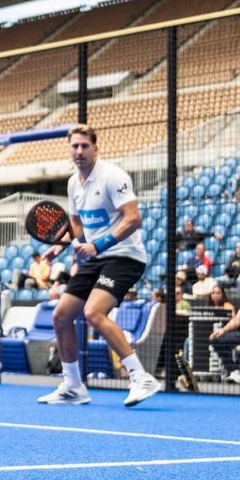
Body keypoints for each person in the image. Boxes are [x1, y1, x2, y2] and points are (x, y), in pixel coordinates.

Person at [36, 125, 160, 407]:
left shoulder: (113, 176)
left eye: (84, 146)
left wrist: (97, 245)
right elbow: (77, 225)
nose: (79, 151)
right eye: (74, 146)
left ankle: (140, 377)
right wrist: (62, 244)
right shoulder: (73, 184)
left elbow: (133, 219)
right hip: (94, 257)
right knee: (61, 316)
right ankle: (73, 385)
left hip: (124, 256)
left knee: (93, 313)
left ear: (95, 148)